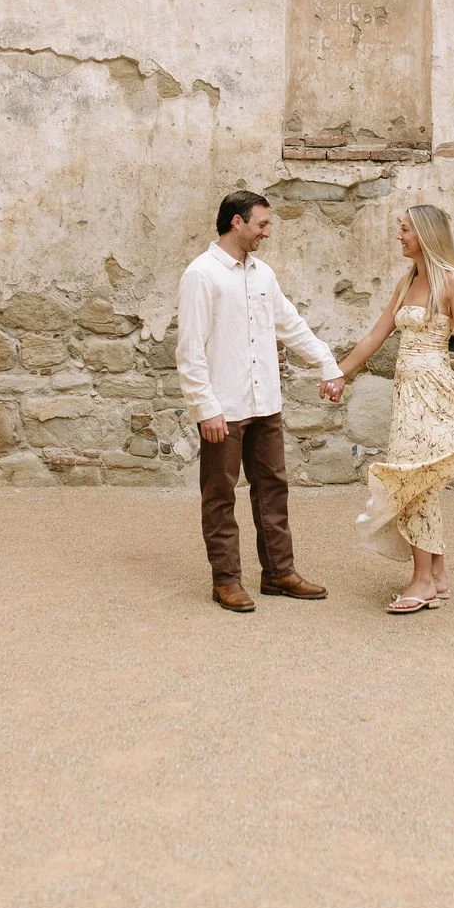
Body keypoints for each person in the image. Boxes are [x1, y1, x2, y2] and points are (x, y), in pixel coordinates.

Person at [321, 205, 454, 614]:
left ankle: (421, 581)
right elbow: (374, 336)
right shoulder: (406, 282)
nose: (398, 236)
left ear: (424, 234)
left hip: (435, 388)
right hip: (407, 394)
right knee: (419, 479)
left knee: (414, 479)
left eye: (404, 229)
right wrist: (338, 375)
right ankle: (436, 576)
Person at [176, 190, 344, 613]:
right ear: (237, 222)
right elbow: (189, 350)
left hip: (265, 401)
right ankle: (226, 580)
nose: (267, 232)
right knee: (220, 494)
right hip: (223, 408)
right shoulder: (201, 274)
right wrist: (205, 407)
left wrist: (328, 363)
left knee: (273, 489)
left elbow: (290, 324)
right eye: (262, 224)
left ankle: (278, 573)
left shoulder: (264, 274)